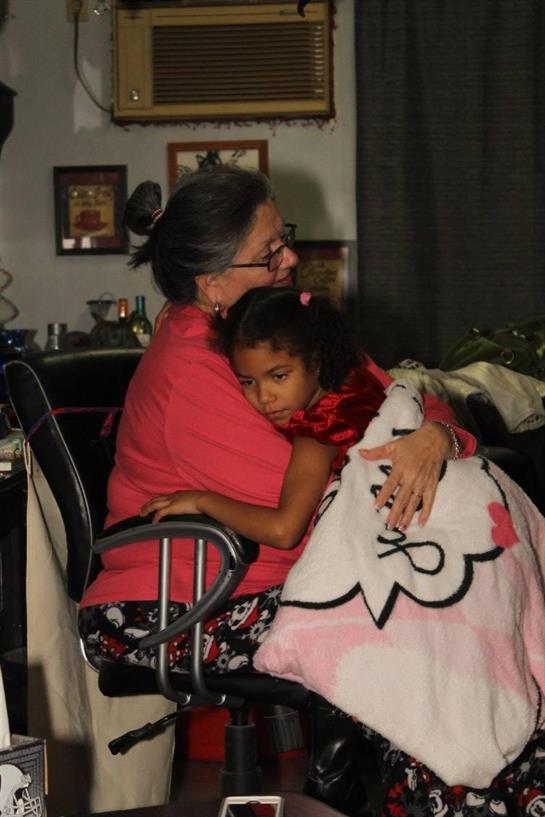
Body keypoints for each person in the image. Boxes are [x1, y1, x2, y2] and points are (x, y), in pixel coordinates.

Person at [76, 165, 475, 816]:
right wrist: (398, 456)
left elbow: (405, 398)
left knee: (453, 603)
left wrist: (436, 438)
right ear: (211, 283)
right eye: (269, 254)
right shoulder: (193, 369)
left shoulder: (282, 326)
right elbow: (312, 511)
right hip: (176, 602)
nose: (290, 258)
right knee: (415, 619)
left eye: (283, 238)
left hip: (277, 579)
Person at [141, 286, 389, 545]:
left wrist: (202, 500)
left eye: (279, 376)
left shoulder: (320, 431)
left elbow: (283, 531)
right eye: (247, 382)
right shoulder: (356, 383)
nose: (264, 396)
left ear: (316, 361)